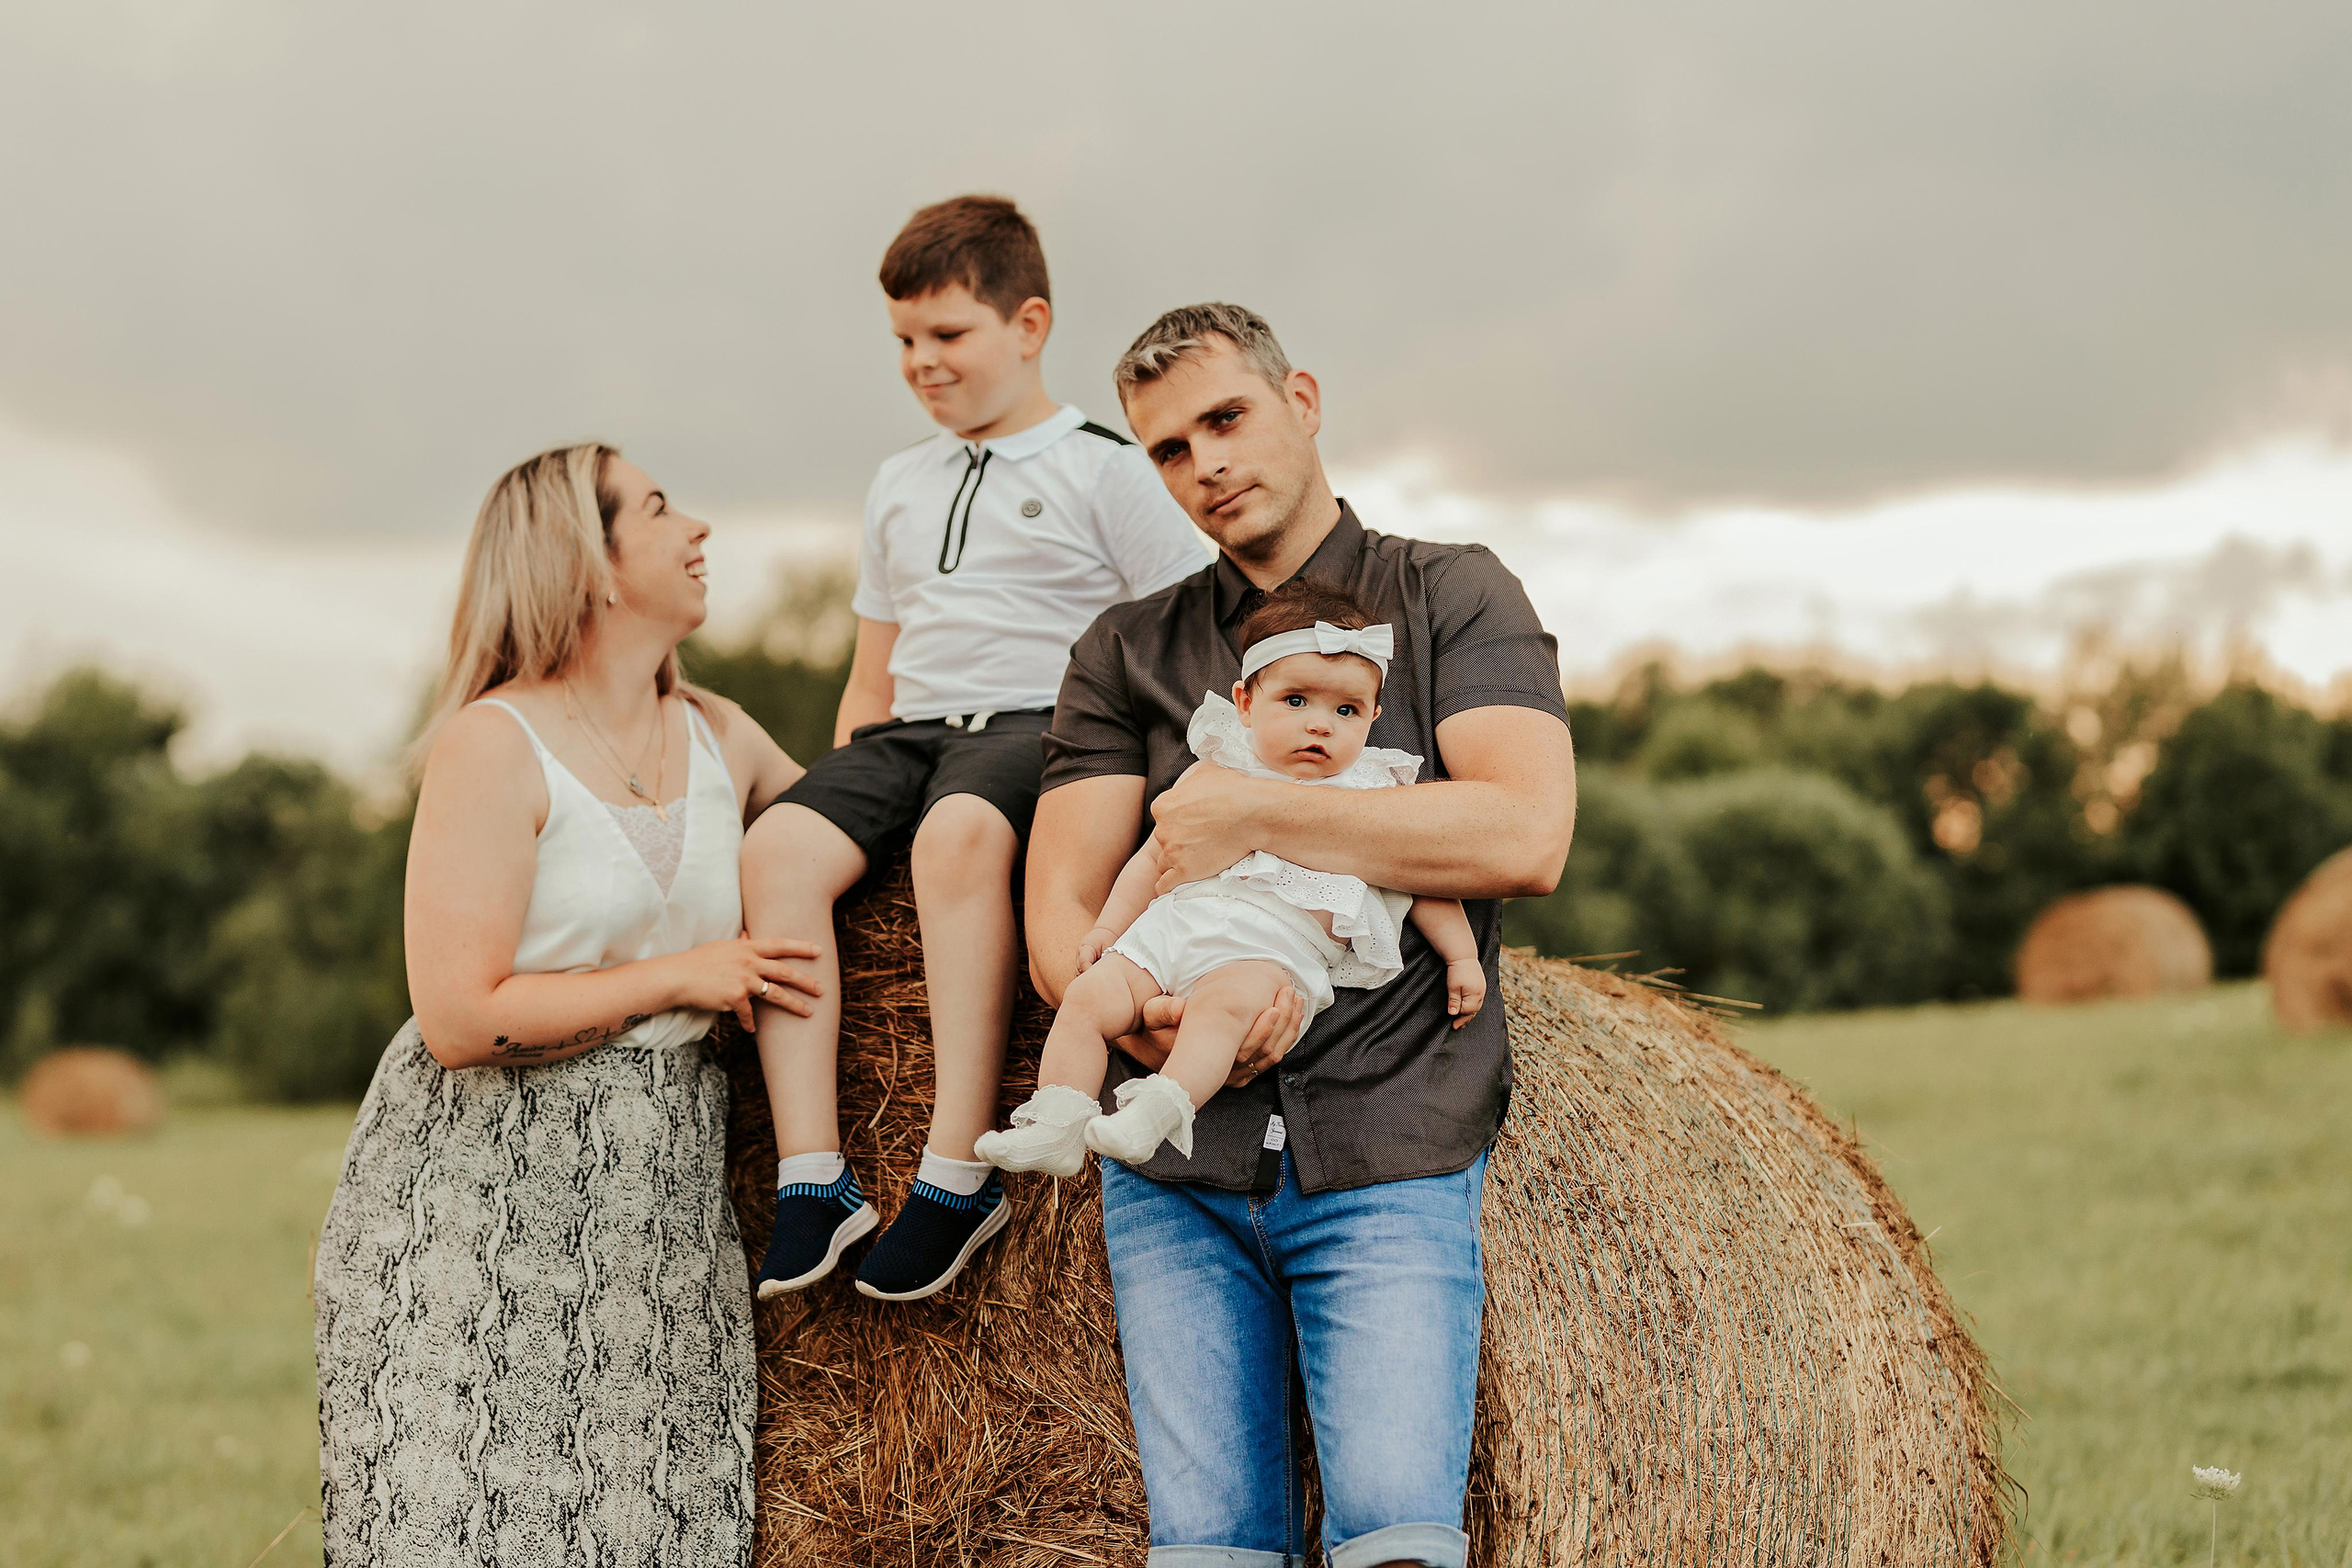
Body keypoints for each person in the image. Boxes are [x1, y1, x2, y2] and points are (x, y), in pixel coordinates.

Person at [1027, 305, 1577, 1568]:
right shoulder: (1127, 651)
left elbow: (1523, 833)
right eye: (1168, 449)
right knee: (1207, 1552)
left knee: (1397, 1541)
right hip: (1175, 1176)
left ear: (1303, 399)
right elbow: (1060, 914)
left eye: (1226, 418)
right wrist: (1165, 1011)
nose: (1204, 462)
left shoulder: (1456, 592)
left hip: (1392, 1142)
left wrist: (1245, 810)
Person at [313, 445, 817, 1568]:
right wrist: (683, 976)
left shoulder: (720, 734)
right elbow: (456, 1012)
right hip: (474, 1205)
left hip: (660, 1214)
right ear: (588, 562)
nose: (698, 528)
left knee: (656, 1527)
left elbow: (860, 836)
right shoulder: (495, 743)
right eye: (657, 507)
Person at [741, 195, 1206, 1303]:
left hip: (1039, 723)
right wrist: (848, 791)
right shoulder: (899, 481)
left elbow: (1187, 645)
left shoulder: (1106, 467)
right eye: (904, 340)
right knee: (775, 853)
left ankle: (954, 1173)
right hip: (910, 726)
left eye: (947, 336)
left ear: (1029, 325)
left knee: (955, 841)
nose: (920, 363)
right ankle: (814, 1177)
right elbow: (873, 665)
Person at [978, 581, 1485, 1177]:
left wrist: (1462, 956)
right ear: (1245, 702)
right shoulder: (1215, 770)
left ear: (1372, 715)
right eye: (1296, 701)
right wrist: (1110, 927)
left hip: (1265, 956)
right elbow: (1151, 857)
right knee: (1090, 996)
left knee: (1219, 1010)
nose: (1319, 725)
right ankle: (1056, 1123)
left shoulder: (1373, 791)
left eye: (1344, 710)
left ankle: (1157, 1112)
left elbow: (1418, 875)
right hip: (1171, 930)